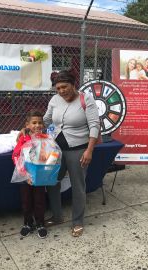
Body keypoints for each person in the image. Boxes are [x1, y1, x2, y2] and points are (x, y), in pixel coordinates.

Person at [43, 70, 100, 237]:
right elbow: (46, 119)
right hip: (57, 150)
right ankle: (57, 216)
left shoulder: (86, 99)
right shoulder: (55, 100)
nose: (61, 91)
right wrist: (31, 127)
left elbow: (94, 125)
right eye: (58, 88)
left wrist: (89, 150)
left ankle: (77, 221)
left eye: (64, 87)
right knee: (52, 182)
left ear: (73, 85)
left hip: (79, 150)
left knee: (78, 186)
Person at [12, 110, 48, 238]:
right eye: (34, 123)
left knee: (40, 200)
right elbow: (16, 155)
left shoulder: (46, 138)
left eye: (40, 123)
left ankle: (40, 223)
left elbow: (51, 156)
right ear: (27, 125)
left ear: (43, 125)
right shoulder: (23, 138)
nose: (37, 125)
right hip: (25, 177)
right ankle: (27, 223)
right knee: (26, 201)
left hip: (39, 176)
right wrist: (25, 174)